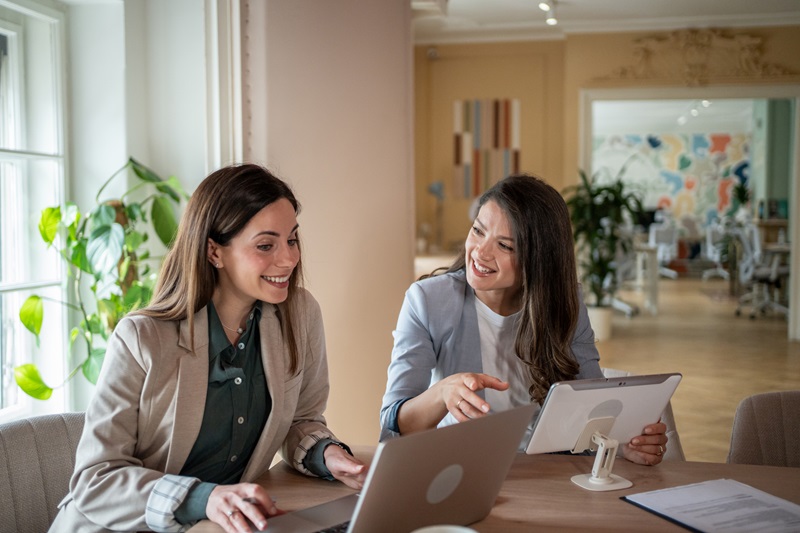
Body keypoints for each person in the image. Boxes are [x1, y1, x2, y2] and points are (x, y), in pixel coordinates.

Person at [50, 164, 366, 533]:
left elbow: (300, 419)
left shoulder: (300, 314)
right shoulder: (141, 339)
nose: (288, 259)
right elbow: (96, 480)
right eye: (266, 245)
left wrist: (323, 453)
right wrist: (205, 498)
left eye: (292, 239)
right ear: (214, 252)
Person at [380, 174, 668, 466]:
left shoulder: (565, 302)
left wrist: (622, 444)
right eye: (478, 231)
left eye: (505, 246)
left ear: (539, 260)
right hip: (462, 469)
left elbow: (589, 402)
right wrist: (442, 392)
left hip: (550, 471)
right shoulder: (428, 301)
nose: (480, 251)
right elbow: (395, 425)